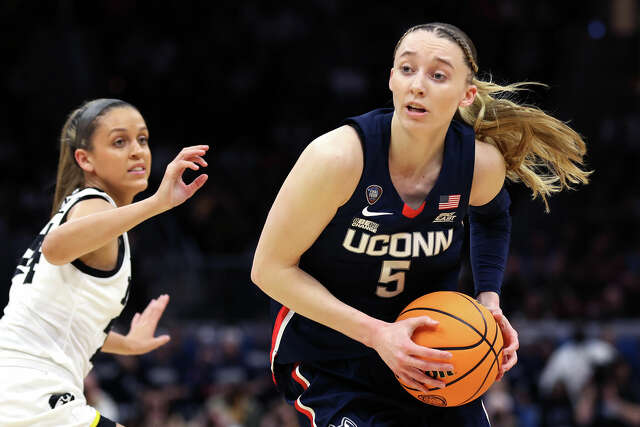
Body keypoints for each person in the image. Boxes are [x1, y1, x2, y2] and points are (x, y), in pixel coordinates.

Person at [251, 22, 590, 427]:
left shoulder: (479, 165)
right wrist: (378, 335)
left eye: (438, 75)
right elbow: (268, 269)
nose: (417, 85)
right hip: (331, 354)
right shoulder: (337, 159)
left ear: (467, 94)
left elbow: (493, 216)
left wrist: (489, 299)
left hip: (431, 348)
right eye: (407, 69)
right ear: (391, 79)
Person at [0, 98, 209, 427]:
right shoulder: (95, 205)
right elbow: (56, 248)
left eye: (142, 139)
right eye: (119, 141)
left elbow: (56, 319)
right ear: (85, 159)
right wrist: (158, 203)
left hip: (19, 392)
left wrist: (126, 344)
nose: (138, 151)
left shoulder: (86, 213)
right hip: (33, 398)